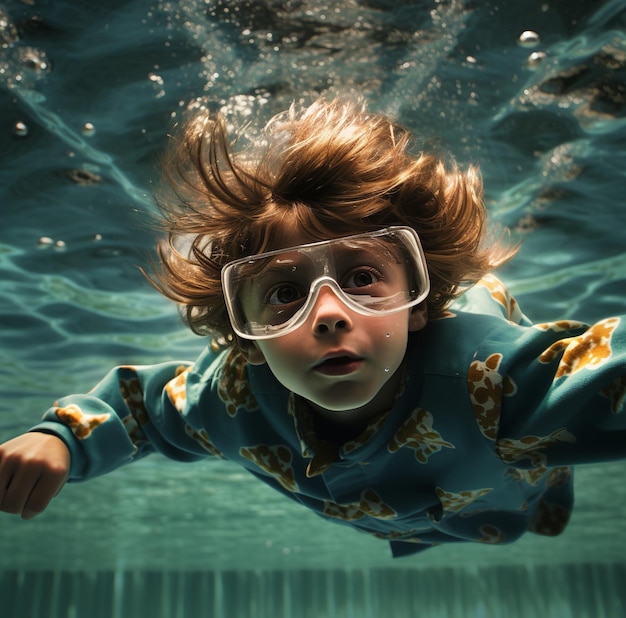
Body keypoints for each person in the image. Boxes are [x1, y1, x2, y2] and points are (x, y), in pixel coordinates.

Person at [0, 96, 624, 558]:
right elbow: (142, 411)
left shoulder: (491, 383)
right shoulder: (236, 395)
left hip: (507, 485)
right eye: (282, 293)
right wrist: (63, 437)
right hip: (424, 506)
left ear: (418, 298)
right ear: (244, 332)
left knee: (543, 498)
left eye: (360, 278)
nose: (325, 313)